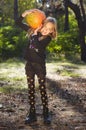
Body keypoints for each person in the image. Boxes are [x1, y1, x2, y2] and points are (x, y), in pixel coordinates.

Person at [16, 9, 57, 124]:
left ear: (52, 31)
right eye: (45, 27)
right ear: (41, 24)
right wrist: (24, 14)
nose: (46, 31)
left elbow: (36, 45)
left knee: (42, 88)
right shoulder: (33, 30)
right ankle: (32, 112)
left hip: (39, 66)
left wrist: (34, 35)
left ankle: (45, 112)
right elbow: (17, 22)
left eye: (50, 30)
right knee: (31, 89)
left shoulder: (47, 38)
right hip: (29, 65)